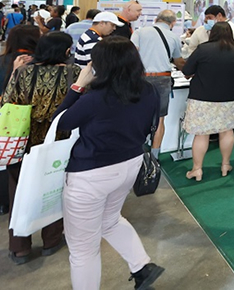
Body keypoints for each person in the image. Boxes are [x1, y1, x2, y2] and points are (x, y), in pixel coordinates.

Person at [54, 36, 165, 290]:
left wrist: (78, 86)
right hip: (130, 165)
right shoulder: (148, 90)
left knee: (83, 250)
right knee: (111, 221)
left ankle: (140, 268)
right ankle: (142, 267)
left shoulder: (95, 98)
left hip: (90, 175)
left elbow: (61, 122)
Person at [4, 32, 82, 264]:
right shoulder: (74, 72)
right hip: (59, 143)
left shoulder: (23, 72)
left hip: (23, 143)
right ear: (66, 51)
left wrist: (14, 73)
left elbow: (7, 103)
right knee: (54, 190)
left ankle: (19, 248)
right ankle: (51, 240)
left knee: (19, 192)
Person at [182, 22, 234, 181]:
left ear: (212, 33)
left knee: (201, 134)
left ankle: (197, 169)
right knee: (227, 131)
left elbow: (187, 70)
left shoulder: (203, 49)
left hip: (202, 97)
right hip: (230, 98)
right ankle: (225, 165)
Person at [131, 10, 186, 159]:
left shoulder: (140, 32)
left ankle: (135, 153)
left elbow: (131, 54)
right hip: (163, 79)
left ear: (156, 19)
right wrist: (189, 71)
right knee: (160, 119)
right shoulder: (173, 37)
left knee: (137, 115)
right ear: (173, 23)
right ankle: (154, 158)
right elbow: (179, 61)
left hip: (140, 78)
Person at [0, 24, 40, 217]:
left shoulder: (3, 61)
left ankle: (4, 202)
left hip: (6, 122)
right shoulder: (41, 64)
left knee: (5, 161)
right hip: (33, 123)